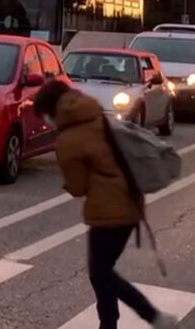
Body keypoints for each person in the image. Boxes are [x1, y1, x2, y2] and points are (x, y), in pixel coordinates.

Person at [32, 79, 177, 329]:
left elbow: (77, 188)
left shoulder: (69, 139)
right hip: (130, 205)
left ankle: (151, 316)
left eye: (45, 115)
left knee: (100, 273)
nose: (46, 121)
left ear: (53, 110)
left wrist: (70, 180)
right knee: (102, 272)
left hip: (108, 213)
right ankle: (109, 324)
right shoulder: (96, 117)